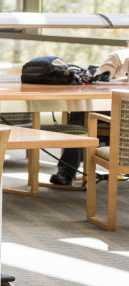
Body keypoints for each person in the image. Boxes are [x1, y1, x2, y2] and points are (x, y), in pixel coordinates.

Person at [49, 48, 129, 185]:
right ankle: (67, 171)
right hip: (110, 107)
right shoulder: (119, 57)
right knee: (81, 111)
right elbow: (97, 80)